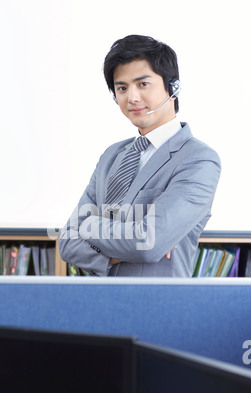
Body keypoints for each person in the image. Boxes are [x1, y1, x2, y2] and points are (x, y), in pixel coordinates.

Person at [59, 34, 221, 277]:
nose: (132, 97)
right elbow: (67, 242)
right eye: (122, 88)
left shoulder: (198, 159)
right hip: (98, 304)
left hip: (155, 306)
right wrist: (126, 241)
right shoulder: (111, 155)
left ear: (172, 86)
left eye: (143, 84)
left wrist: (89, 225)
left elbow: (149, 243)